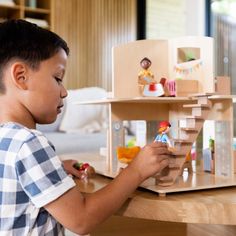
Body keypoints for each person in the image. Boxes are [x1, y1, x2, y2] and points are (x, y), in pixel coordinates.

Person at [0, 19, 170, 235]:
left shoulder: (7, 139)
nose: (64, 92)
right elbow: (82, 219)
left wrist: (54, 168)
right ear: (21, 77)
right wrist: (136, 170)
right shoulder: (29, 142)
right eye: (58, 78)